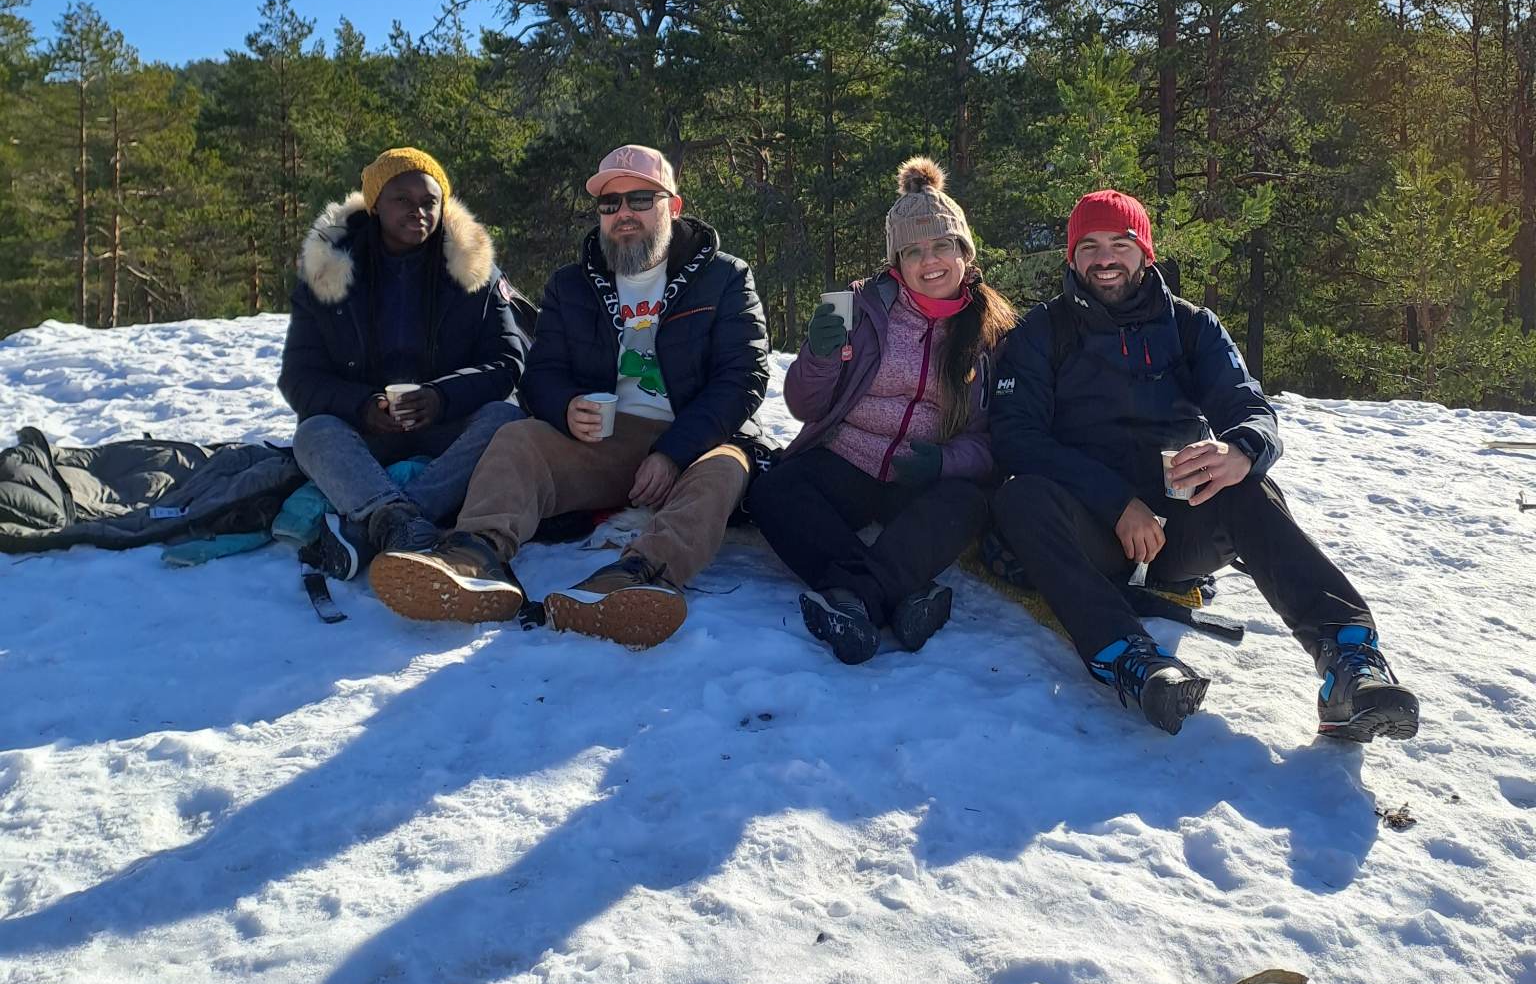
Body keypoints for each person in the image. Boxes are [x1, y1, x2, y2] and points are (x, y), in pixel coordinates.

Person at [989, 188, 1420, 741]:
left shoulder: (1191, 326)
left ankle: (1349, 663)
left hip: (1179, 534)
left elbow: (1250, 407)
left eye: (1120, 243)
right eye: (1089, 246)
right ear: (1072, 257)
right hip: (1091, 531)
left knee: (1250, 487)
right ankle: (1129, 657)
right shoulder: (1041, 333)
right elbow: (1017, 437)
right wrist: (1117, 503)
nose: (1104, 258)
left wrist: (1241, 449)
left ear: (1144, 251)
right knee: (1020, 495)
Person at [367, 143, 770, 643]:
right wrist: (564, 407)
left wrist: (672, 452)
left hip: (697, 439)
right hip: (605, 439)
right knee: (519, 438)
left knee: (726, 469)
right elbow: (540, 374)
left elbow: (743, 377)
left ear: (674, 206)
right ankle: (474, 557)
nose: (623, 214)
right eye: (610, 204)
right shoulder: (572, 284)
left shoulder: (724, 276)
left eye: (640, 199)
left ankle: (631, 578)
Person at [748, 158, 1014, 664]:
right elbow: (803, 404)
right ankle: (904, 594)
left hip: (921, 478)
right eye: (913, 251)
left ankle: (854, 600)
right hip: (846, 460)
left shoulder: (992, 333)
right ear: (897, 262)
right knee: (773, 490)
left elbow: (989, 441)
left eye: (941, 246)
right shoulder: (856, 307)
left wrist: (941, 463)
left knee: (966, 505)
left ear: (964, 251)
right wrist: (819, 355)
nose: (928, 261)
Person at [280, 148, 532, 574]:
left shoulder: (474, 270)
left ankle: (388, 519)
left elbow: (509, 360)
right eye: (402, 199)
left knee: (505, 421)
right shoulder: (329, 270)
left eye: (429, 201)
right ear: (376, 204)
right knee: (313, 432)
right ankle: (401, 520)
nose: (418, 211)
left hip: (448, 426)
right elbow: (299, 376)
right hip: (368, 428)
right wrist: (362, 405)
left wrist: (442, 397)